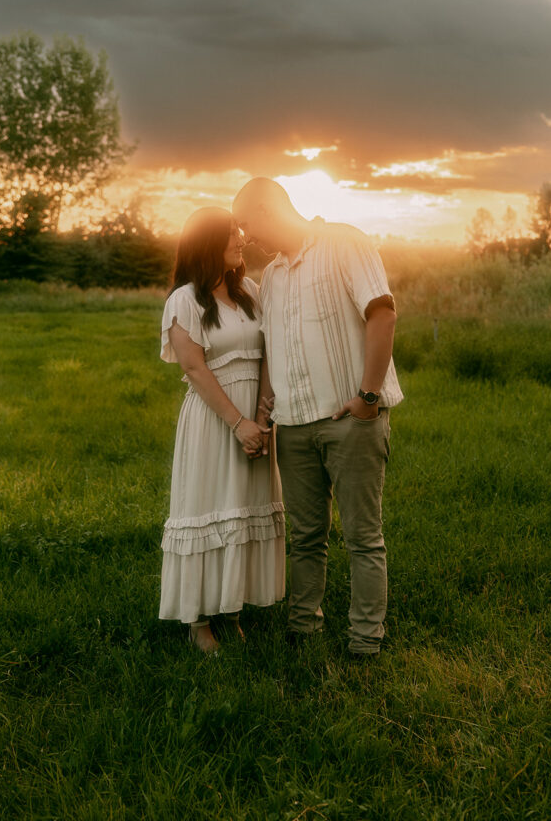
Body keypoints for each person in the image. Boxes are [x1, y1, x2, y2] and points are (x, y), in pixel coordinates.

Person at [232, 178, 403, 657]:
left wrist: (368, 398)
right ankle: (303, 628)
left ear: (269, 208)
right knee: (306, 536)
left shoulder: (345, 242)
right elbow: (271, 352)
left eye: (247, 222)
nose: (246, 235)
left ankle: (365, 640)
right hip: (294, 426)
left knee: (362, 536)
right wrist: (266, 413)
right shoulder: (274, 277)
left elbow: (383, 314)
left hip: (351, 420)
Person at [158, 206, 285, 653]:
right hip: (216, 421)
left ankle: (231, 609)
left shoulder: (250, 290)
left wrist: (263, 419)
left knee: (244, 507)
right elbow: (194, 369)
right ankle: (198, 621)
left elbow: (269, 354)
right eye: (231, 233)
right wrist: (238, 423)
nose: (241, 239)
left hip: (257, 416)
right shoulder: (184, 301)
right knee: (210, 506)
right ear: (207, 242)